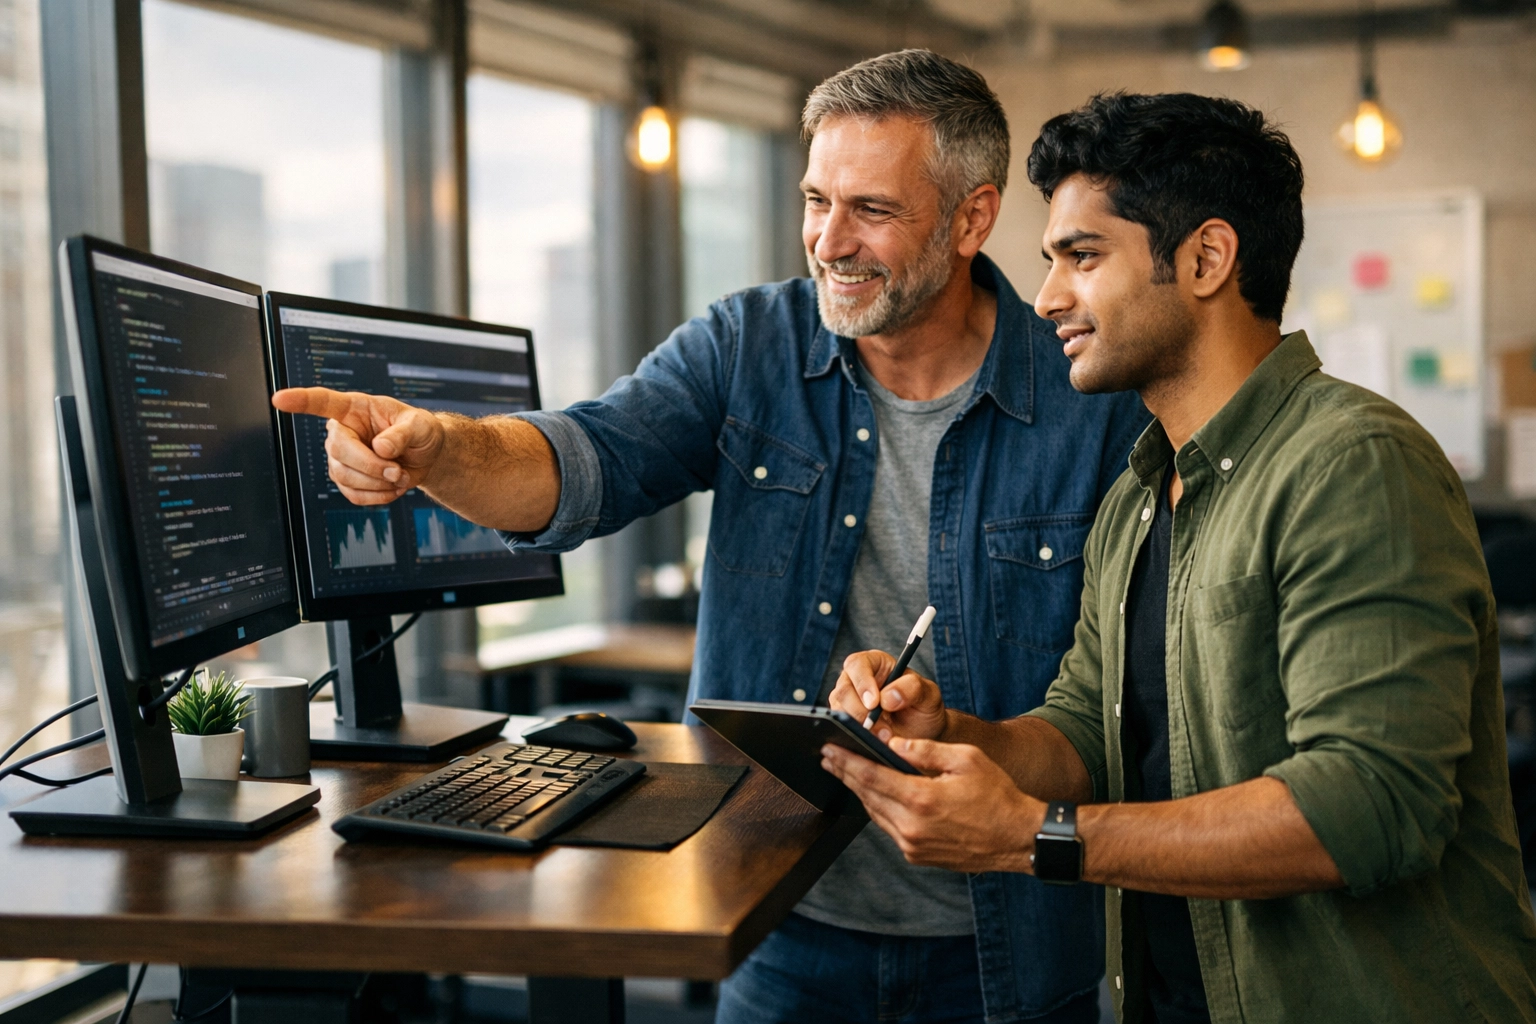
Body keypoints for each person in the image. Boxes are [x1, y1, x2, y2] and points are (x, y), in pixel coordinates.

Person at [272, 51, 1149, 1024]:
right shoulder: (749, 345)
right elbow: (585, 458)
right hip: (779, 922)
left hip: (1007, 954)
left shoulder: (1091, 405)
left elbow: (1115, 711)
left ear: (972, 217)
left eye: (871, 209)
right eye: (816, 199)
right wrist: (439, 449)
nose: (828, 239)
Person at [822, 91, 1536, 1023]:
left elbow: (1371, 806)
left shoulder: (1353, 463)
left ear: (1205, 258)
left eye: (1082, 257)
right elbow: (1087, 732)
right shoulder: (1136, 494)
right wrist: (958, 735)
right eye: (1049, 262)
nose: (1046, 298)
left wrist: (1035, 838)